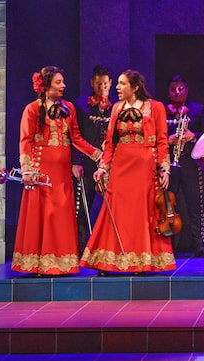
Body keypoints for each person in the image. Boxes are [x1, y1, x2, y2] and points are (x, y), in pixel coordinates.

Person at [80, 69, 176, 275]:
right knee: (115, 212)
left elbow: (161, 141)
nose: (117, 87)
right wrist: (102, 168)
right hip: (121, 167)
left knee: (141, 214)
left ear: (135, 87)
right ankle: (107, 262)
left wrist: (164, 169)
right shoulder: (116, 108)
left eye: (122, 84)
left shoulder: (156, 107)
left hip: (145, 167)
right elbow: (109, 143)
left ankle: (141, 261)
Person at [13, 66, 102, 276]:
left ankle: (60, 263)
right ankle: (38, 263)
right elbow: (25, 141)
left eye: (63, 82)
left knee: (61, 214)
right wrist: (27, 170)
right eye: (58, 82)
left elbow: (76, 139)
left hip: (62, 171)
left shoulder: (68, 108)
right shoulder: (32, 109)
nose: (63, 86)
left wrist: (97, 154)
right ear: (45, 86)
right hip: (41, 169)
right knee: (44, 214)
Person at [165, 74, 204, 257]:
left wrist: (193, 136)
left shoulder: (197, 109)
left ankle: (200, 246)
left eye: (180, 89)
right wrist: (168, 139)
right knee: (167, 206)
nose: (177, 92)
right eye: (173, 89)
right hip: (169, 164)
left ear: (187, 90)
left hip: (190, 163)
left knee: (194, 206)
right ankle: (167, 248)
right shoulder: (161, 110)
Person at [74, 64, 113, 250]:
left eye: (105, 84)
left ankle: (108, 246)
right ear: (92, 83)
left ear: (110, 83)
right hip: (89, 162)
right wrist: (76, 162)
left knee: (112, 206)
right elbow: (75, 135)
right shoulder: (82, 105)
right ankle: (82, 247)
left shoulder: (117, 106)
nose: (102, 88)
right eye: (99, 84)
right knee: (84, 207)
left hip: (111, 164)